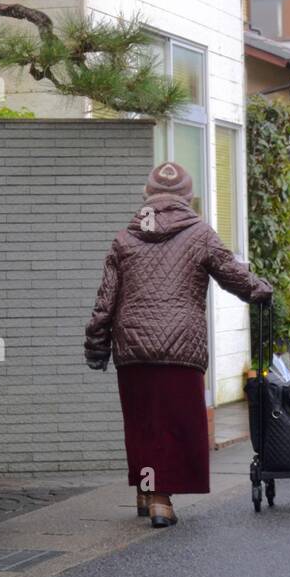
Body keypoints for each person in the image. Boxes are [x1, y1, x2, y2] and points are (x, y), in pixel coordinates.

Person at [84, 160, 273, 528]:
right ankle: (160, 500)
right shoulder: (200, 234)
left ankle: (146, 487)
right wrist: (261, 290)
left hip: (133, 347)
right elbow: (233, 274)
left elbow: (105, 301)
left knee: (143, 422)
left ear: (147, 197)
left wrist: (96, 344)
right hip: (181, 345)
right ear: (189, 197)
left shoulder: (124, 238)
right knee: (174, 422)